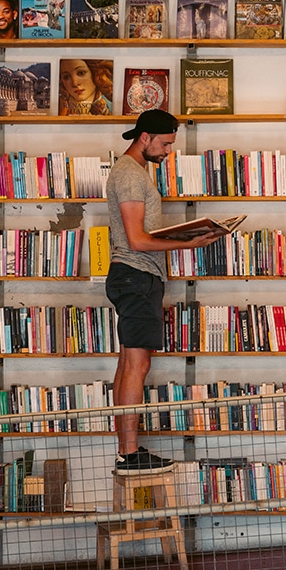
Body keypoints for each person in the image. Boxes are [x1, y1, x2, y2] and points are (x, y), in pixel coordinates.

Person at [105, 110, 226, 470]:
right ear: (145, 137)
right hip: (136, 275)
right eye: (166, 144)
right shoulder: (129, 174)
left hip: (135, 277)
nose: (168, 151)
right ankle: (129, 453)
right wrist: (189, 243)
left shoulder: (135, 173)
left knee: (129, 364)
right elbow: (138, 241)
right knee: (137, 366)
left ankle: (126, 450)